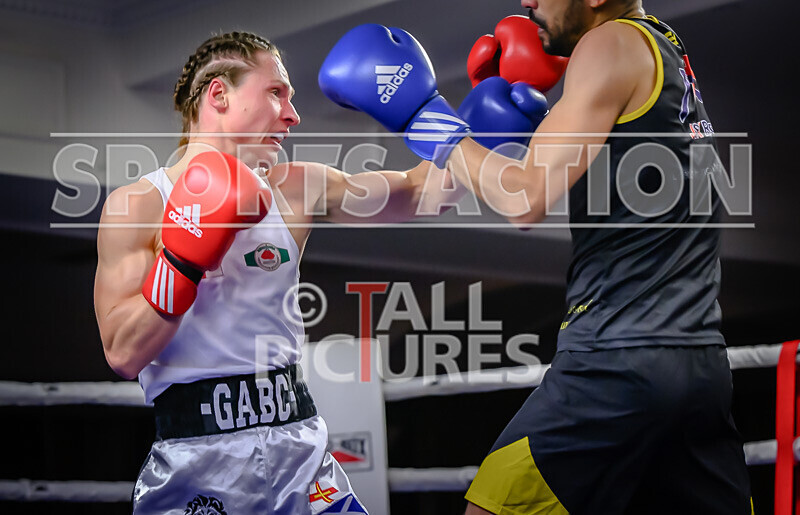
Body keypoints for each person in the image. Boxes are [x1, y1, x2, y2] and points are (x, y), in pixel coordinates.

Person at [318, 0, 753, 513]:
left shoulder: (608, 43)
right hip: (698, 362)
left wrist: (423, 116)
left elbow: (524, 200)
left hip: (618, 360)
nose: (528, 0)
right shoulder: (665, 51)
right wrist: (508, 127)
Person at [93, 30, 546, 514]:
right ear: (218, 95)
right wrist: (183, 260)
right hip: (197, 462)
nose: (292, 115)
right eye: (276, 92)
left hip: (301, 455)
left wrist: (484, 131)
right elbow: (123, 353)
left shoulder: (295, 189)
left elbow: (421, 193)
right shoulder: (138, 205)